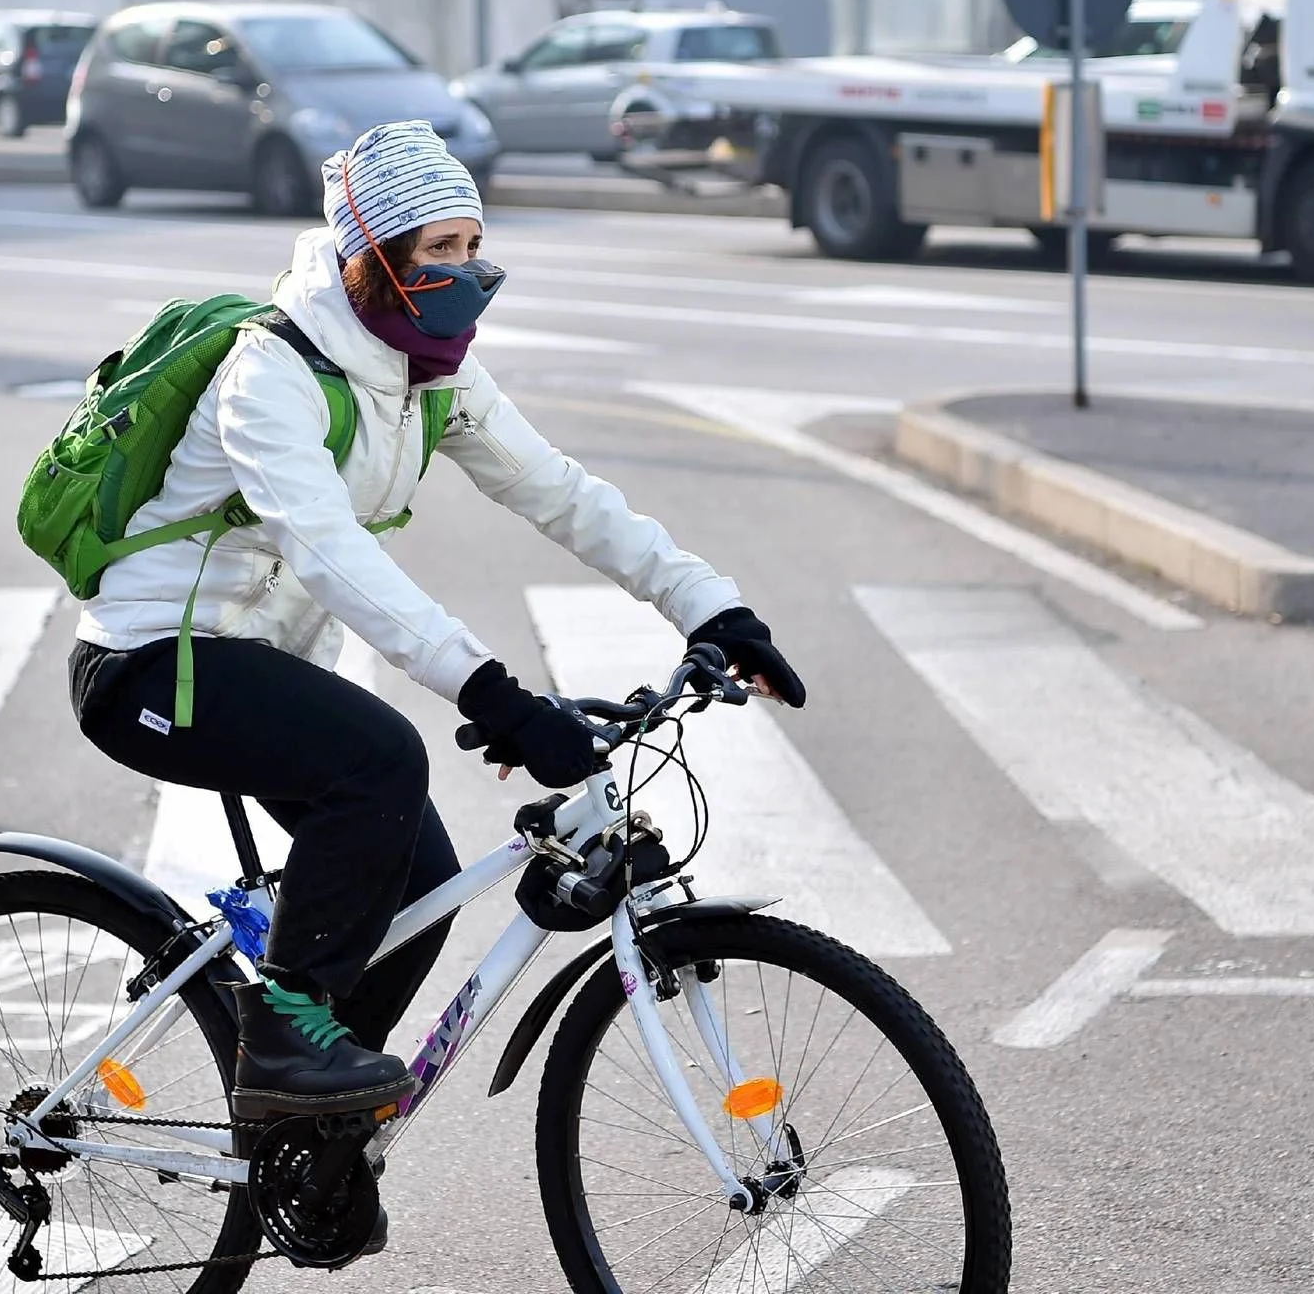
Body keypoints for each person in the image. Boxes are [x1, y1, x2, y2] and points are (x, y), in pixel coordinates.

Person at [67, 120, 803, 1138]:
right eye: (438, 252)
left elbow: (563, 494)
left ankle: (313, 1140)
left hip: (263, 666)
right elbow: (331, 554)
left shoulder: (429, 369)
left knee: (419, 890)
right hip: (154, 667)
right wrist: (490, 691)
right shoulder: (269, 376)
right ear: (371, 257)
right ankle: (279, 1045)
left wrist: (710, 604)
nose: (468, 273)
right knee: (380, 760)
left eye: (473, 246)